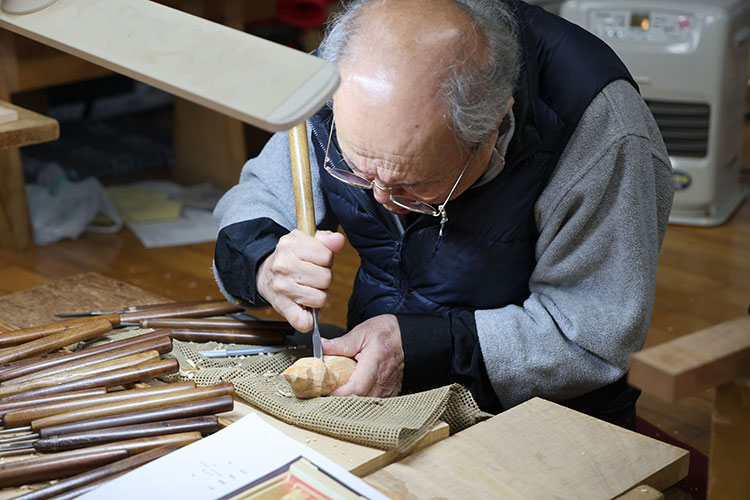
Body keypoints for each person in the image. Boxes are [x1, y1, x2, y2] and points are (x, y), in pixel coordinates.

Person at [212, 0, 674, 429]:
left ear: (494, 126)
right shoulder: (345, 72)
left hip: (538, 416)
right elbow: (258, 198)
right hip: (377, 388)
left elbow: (590, 337)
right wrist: (265, 262)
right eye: (355, 168)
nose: (379, 200)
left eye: (415, 186)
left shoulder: (597, 130)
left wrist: (422, 348)